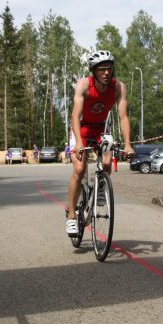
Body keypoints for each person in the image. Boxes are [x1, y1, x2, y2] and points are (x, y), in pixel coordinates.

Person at [65, 50, 133, 235]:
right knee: (79, 169)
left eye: (109, 69)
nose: (106, 73)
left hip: (102, 130)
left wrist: (128, 144)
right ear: (93, 71)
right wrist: (79, 143)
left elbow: (123, 117)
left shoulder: (118, 87)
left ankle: (100, 189)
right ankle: (71, 215)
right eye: (102, 69)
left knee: (107, 163)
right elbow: (75, 116)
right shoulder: (83, 85)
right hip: (81, 129)